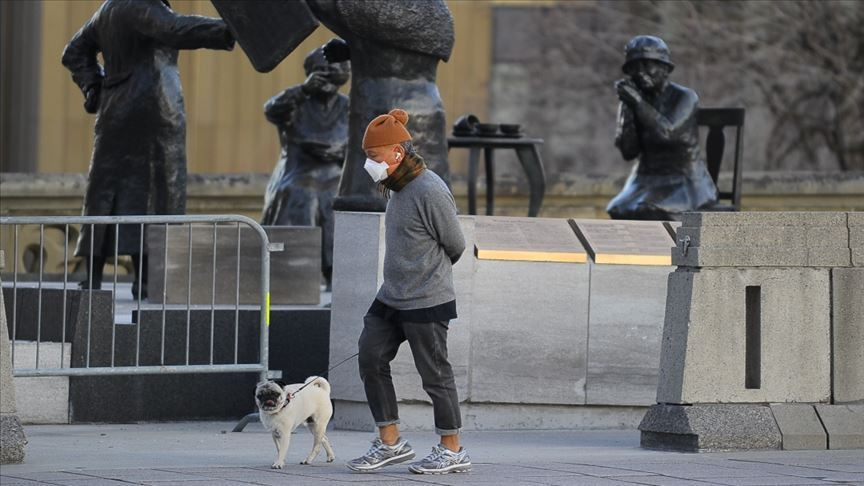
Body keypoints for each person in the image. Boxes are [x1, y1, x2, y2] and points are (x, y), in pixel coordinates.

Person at [61, 0, 234, 297]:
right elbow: (174, 28)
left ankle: (95, 278)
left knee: (106, 190)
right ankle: (145, 280)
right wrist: (227, 30)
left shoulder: (108, 8)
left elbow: (74, 51)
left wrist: (93, 86)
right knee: (157, 191)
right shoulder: (141, 4)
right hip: (154, 107)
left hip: (115, 110)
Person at [346, 109, 470, 475]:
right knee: (370, 356)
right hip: (390, 297)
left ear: (397, 153)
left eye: (374, 157)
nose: (369, 165)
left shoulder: (429, 188)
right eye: (367, 156)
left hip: (427, 300)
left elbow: (455, 244)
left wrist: (426, 275)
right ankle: (390, 442)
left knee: (434, 375)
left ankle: (452, 449)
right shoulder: (396, 185)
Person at [260, 47, 350, 289]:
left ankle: (336, 274)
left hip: (336, 174)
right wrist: (303, 90)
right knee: (303, 193)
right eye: (323, 72)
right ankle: (298, 271)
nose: (329, 78)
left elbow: (364, 144)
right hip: (298, 173)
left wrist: (341, 152)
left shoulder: (350, 106)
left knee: (339, 198)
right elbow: (270, 109)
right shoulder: (296, 102)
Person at [607, 35, 718, 220]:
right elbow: (629, 152)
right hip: (645, 179)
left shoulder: (685, 97)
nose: (641, 72)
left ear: (665, 69)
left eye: (648, 65)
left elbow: (667, 133)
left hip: (684, 180)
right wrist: (627, 112)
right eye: (635, 67)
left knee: (648, 209)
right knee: (618, 209)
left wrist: (638, 103)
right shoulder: (633, 101)